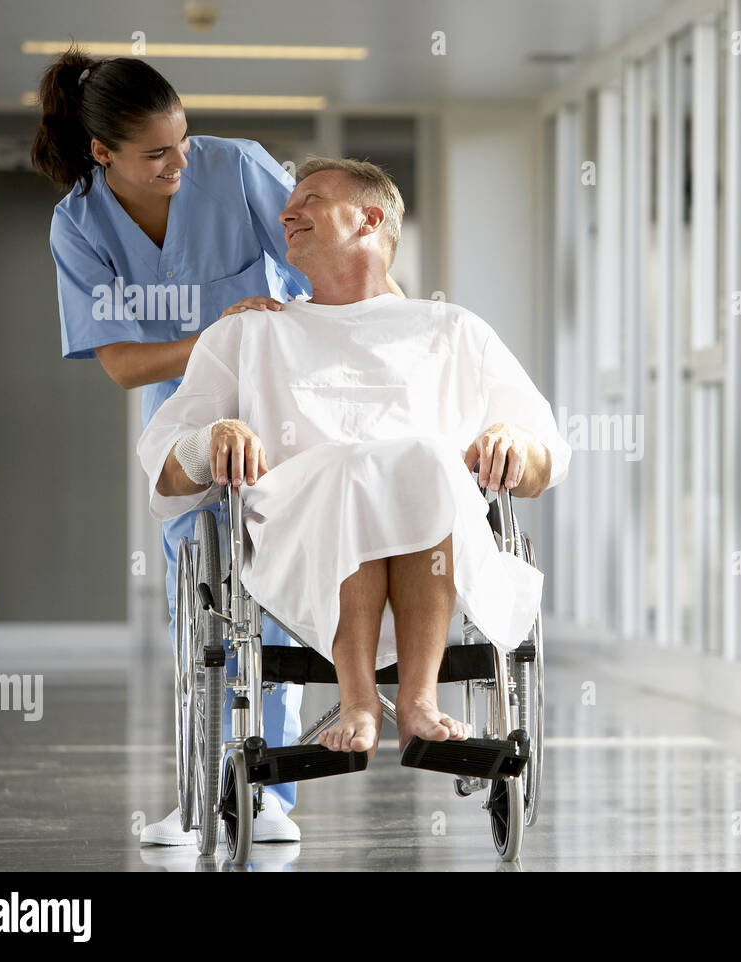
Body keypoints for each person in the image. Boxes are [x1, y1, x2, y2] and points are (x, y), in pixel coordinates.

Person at [32, 47, 402, 844]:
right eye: (155, 154)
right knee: (195, 605)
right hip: (188, 414)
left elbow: (333, 250)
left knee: (273, 581)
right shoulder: (79, 224)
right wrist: (221, 339)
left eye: (183, 141)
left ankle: (268, 790)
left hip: (285, 397)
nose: (178, 162)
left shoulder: (234, 169)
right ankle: (204, 781)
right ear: (104, 154)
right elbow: (124, 362)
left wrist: (400, 330)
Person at [136, 158, 570, 755]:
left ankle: (416, 699)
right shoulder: (251, 333)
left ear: (369, 219)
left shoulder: (451, 329)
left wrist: (513, 443)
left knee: (420, 460)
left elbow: (545, 458)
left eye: (311, 199)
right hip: (299, 542)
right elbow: (165, 471)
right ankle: (359, 697)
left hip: (434, 543)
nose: (288, 212)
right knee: (350, 466)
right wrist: (214, 437)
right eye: (291, 202)